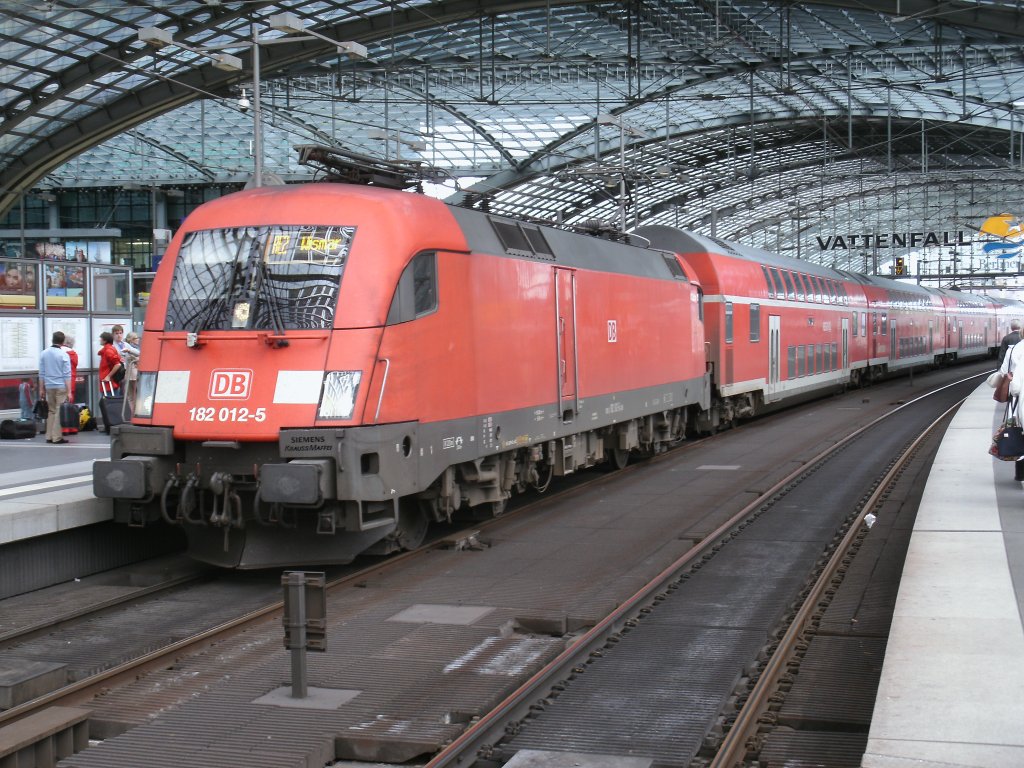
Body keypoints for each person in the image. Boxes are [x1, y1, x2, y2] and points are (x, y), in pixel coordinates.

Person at [38, 331, 72, 444]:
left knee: (51, 411)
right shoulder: (64, 355)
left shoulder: (44, 353)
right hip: (61, 386)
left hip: (49, 386)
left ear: (52, 340)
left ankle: (49, 436)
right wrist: (69, 391)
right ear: (62, 342)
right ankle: (57, 437)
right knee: (58, 411)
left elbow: (41, 373)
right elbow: (67, 374)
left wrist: (41, 389)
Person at [62, 334, 79, 402]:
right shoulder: (73, 354)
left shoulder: (57, 352)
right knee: (68, 405)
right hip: (71, 382)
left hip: (58, 383)